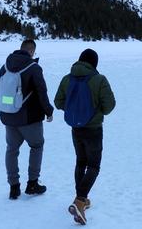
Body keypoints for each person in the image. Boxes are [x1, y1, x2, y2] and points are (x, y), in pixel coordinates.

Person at [55, 49, 116, 226]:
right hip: (94, 129)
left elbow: (58, 102)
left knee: (81, 162)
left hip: (76, 128)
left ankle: (81, 199)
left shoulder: (68, 78)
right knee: (94, 165)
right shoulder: (99, 79)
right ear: (94, 63)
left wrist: (75, 109)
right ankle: (81, 200)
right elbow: (109, 106)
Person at [0, 39, 54, 200]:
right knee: (36, 146)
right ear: (31, 51)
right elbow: (41, 92)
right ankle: (32, 183)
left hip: (9, 116)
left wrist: (12, 108)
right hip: (30, 118)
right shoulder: (34, 68)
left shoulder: (5, 67)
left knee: (12, 149)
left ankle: (14, 186)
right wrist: (48, 111)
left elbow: (4, 94)